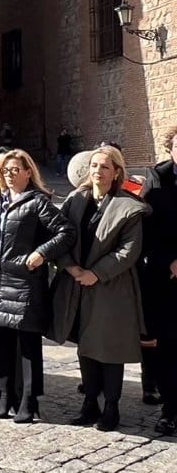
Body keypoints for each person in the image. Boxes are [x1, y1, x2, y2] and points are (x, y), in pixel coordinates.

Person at [51, 145, 146, 432]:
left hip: (111, 287)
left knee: (109, 349)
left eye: (104, 167)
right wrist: (71, 268)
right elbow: (60, 235)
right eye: (94, 166)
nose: (98, 171)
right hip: (77, 284)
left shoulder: (128, 206)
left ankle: (111, 409)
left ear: (116, 172)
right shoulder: (76, 200)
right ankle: (89, 403)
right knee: (85, 346)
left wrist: (96, 273)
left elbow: (128, 251)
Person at [0, 149, 74, 423]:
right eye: (5, 170)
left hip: (24, 283)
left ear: (28, 172)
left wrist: (41, 253)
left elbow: (66, 233)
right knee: (1, 342)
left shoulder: (38, 202)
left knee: (28, 345)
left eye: (15, 170)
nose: (9, 174)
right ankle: (6, 396)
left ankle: (29, 400)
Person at [143, 125, 177, 434]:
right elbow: (146, 227)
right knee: (167, 343)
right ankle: (170, 408)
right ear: (170, 149)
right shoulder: (155, 180)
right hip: (165, 276)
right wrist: (169, 260)